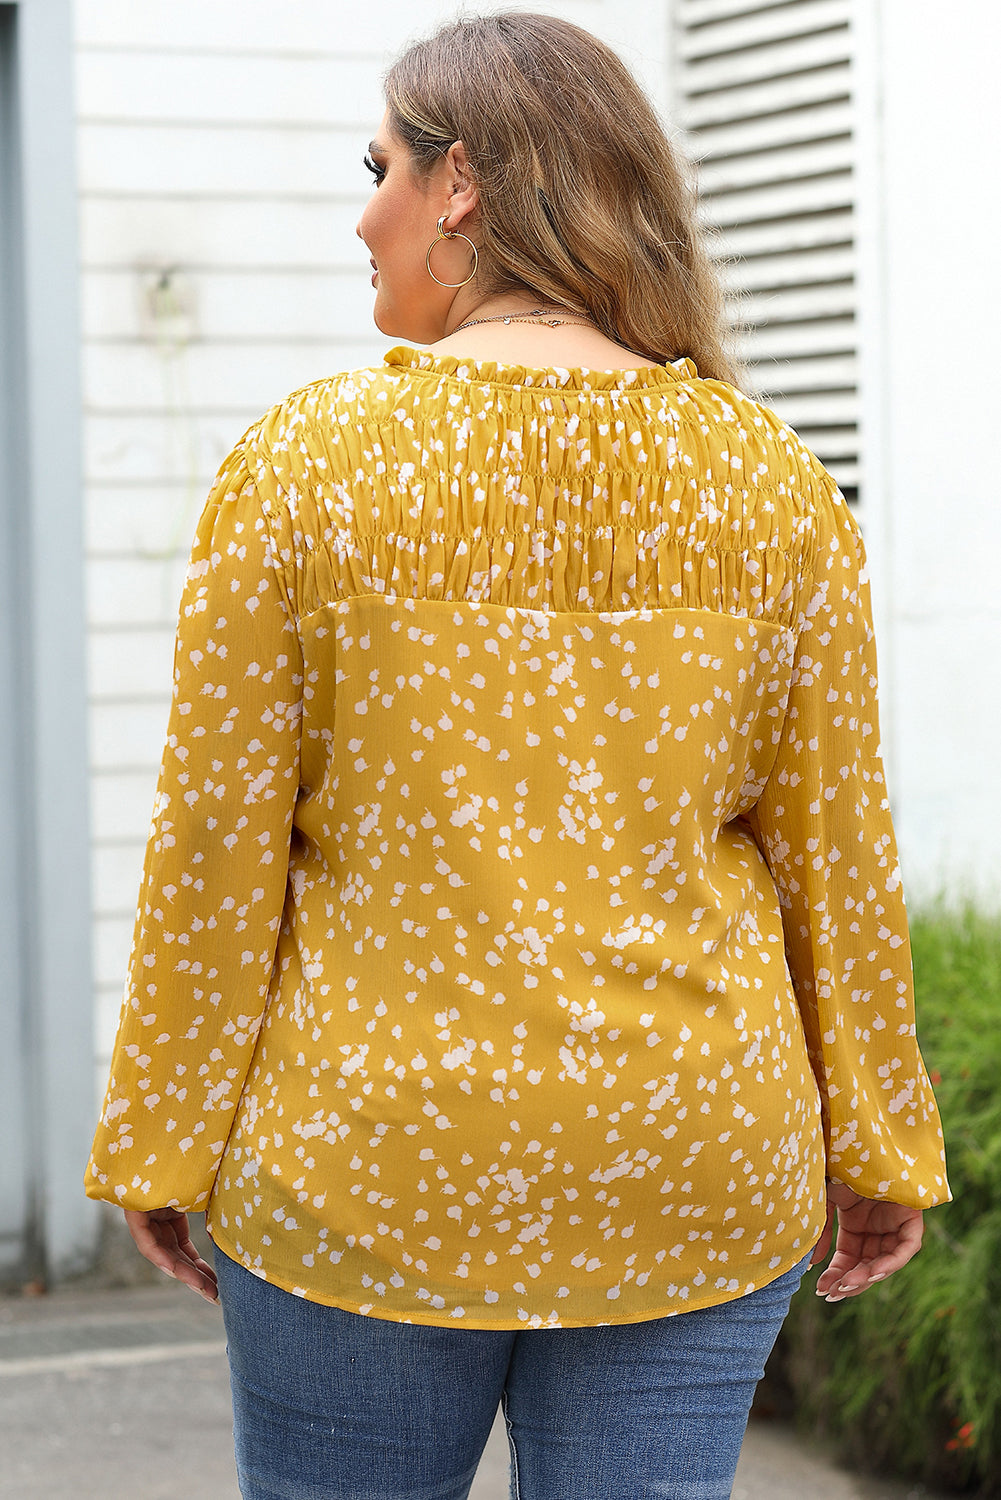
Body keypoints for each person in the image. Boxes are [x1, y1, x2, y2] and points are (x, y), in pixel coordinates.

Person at [86, 12, 950, 1499]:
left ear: (462, 182)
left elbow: (216, 850)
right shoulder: (772, 483)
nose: (363, 214)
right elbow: (834, 851)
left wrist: (162, 1140)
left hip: (369, 1159)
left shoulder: (298, 470)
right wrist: (878, 1141)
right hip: (687, 1156)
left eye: (378, 168)